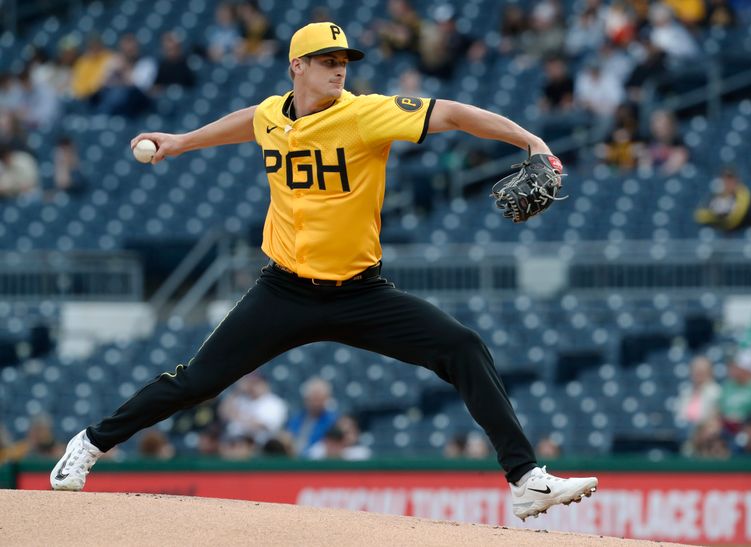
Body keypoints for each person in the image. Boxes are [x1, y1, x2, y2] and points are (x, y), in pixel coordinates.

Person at [50, 22, 597, 521]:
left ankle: (525, 479)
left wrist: (534, 142)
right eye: (326, 58)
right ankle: (91, 443)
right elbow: (254, 120)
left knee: (463, 346)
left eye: (344, 59)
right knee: (196, 381)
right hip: (284, 289)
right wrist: (184, 141)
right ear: (298, 67)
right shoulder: (273, 114)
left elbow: (452, 113)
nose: (339, 67)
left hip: (363, 293)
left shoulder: (364, 113)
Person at [218, 371, 288, 446]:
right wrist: (237, 391)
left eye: (256, 383)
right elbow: (223, 413)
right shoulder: (241, 399)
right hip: (234, 443)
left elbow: (262, 425)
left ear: (265, 384)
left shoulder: (274, 403)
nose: (252, 386)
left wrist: (238, 418)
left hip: (260, 445)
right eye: (250, 383)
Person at [285, 377, 338, 457]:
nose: (316, 403)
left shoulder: (333, 422)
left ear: (326, 399)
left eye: (320, 399)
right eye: (313, 399)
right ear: (306, 399)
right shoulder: (296, 418)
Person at [694, 166, 751, 232]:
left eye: (731, 179)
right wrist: (714, 214)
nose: (728, 182)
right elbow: (699, 215)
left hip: (737, 231)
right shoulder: (713, 195)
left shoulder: (743, 194)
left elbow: (735, 218)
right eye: (725, 179)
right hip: (716, 231)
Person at [674, 355, 721, 430]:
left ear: (710, 372)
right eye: (695, 371)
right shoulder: (685, 391)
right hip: (684, 432)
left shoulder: (716, 392)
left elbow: (714, 420)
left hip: (704, 433)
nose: (698, 374)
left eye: (701, 371)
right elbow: (679, 417)